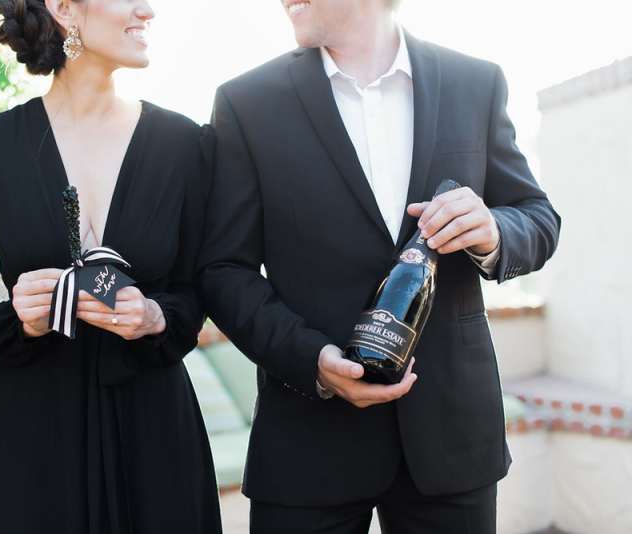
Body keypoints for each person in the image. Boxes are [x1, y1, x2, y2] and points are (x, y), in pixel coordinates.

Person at [199, 0, 561, 532]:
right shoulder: (246, 102)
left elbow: (538, 218)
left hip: (451, 438)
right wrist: (312, 361)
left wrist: (493, 231)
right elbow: (223, 270)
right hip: (307, 444)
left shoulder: (475, 82)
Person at [0, 1, 221, 532]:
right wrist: (17, 320)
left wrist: (156, 316)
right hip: (30, 441)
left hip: (154, 436)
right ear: (65, 8)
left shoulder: (186, 145)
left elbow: (201, 289)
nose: (147, 10)